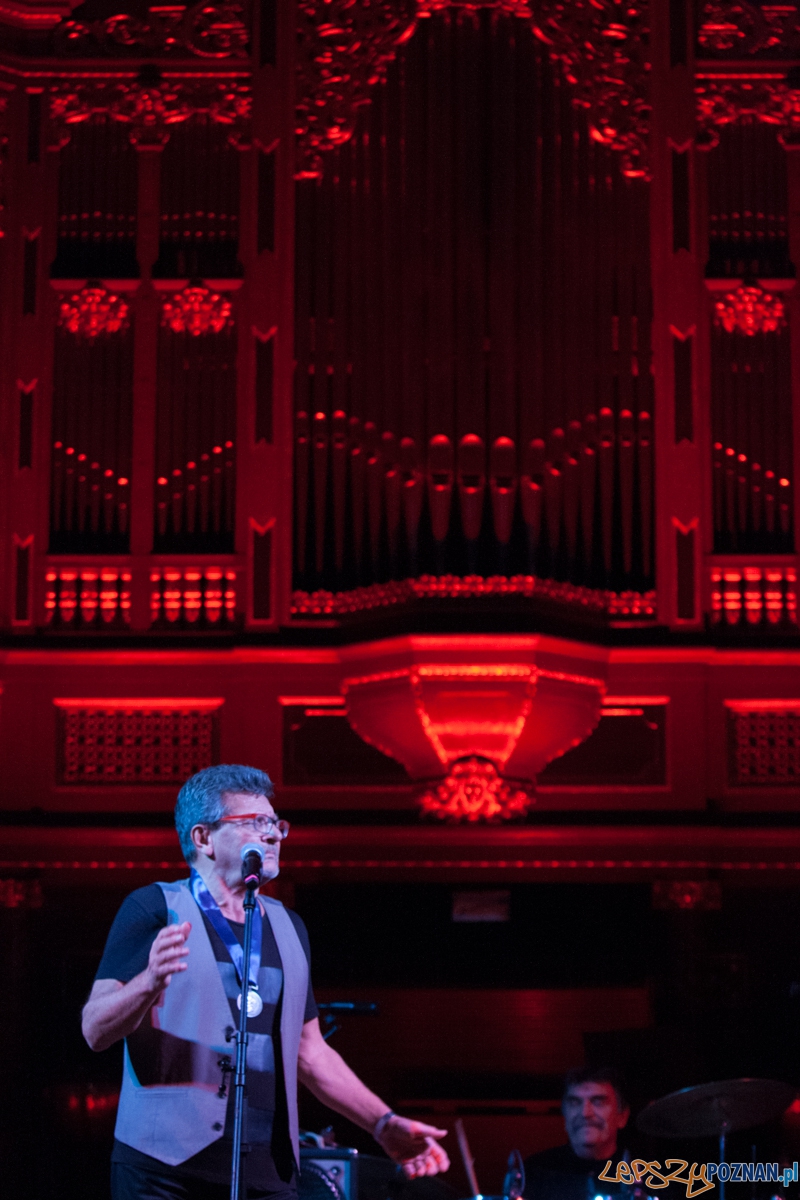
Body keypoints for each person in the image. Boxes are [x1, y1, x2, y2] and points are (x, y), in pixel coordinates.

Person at [82, 764, 450, 1200]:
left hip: (268, 1170)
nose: (274, 834)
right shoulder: (156, 907)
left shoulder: (288, 926)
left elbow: (310, 1052)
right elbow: (95, 1029)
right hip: (165, 1170)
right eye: (256, 823)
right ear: (203, 839)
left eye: (276, 824)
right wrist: (149, 982)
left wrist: (381, 1122)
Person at [522, 1067, 630, 1200]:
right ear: (564, 1115)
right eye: (574, 1102)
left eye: (598, 1102)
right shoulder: (534, 1173)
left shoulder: (647, 1176)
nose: (585, 1113)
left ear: (622, 1117)